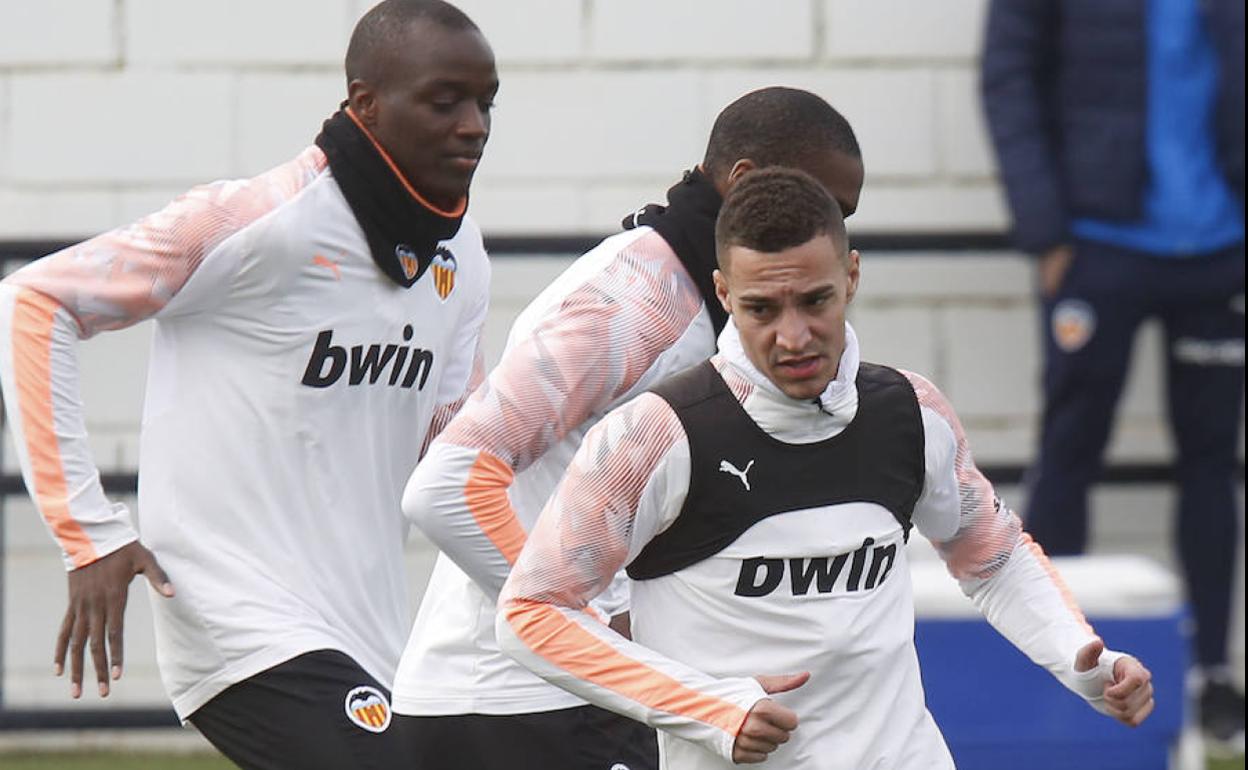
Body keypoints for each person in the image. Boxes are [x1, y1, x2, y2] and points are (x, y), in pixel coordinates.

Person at [495, 168, 1156, 769]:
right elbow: (531, 612)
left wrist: (1083, 663)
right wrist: (706, 706)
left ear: (853, 278)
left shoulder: (910, 412)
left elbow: (994, 556)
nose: (793, 336)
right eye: (761, 309)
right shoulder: (654, 434)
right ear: (725, 293)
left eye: (815, 301)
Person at [0, 1, 497, 767]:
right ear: (365, 103)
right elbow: (34, 302)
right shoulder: (255, 221)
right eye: (445, 100)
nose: (474, 124)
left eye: (485, 101)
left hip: (371, 633)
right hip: (238, 623)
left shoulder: (460, 254)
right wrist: (87, 531)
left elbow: (457, 454)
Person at [393, 87, 865, 769]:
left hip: (560, 703)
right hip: (517, 709)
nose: (831, 232)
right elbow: (445, 486)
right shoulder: (640, 304)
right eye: (825, 204)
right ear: (745, 183)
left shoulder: (711, 307)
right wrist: (608, 643)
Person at [980, 0, 1245, 750]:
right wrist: (1046, 231)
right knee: (1070, 451)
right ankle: (1056, 668)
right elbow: (1008, 77)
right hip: (1096, 244)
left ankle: (1213, 677)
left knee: (1212, 462)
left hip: (1221, 246)